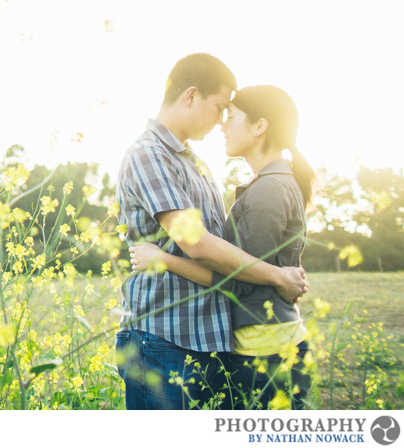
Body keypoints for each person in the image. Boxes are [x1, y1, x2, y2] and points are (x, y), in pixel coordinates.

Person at [114, 54, 307, 410]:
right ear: (190, 96)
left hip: (202, 343)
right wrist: (277, 275)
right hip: (162, 339)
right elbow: (197, 243)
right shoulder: (148, 155)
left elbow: (224, 255)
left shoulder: (195, 163)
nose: (221, 120)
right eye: (219, 107)